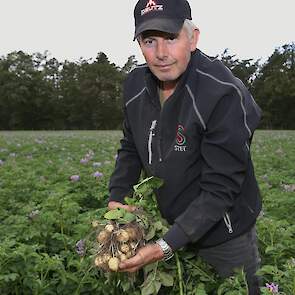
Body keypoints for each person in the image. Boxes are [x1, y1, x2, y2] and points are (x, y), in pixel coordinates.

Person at [108, 0, 262, 294]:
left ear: (193, 38)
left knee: (240, 288)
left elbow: (220, 189)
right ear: (139, 43)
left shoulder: (223, 92)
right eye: (149, 40)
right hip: (168, 222)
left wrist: (163, 247)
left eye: (171, 38)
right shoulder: (134, 86)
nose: (161, 54)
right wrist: (118, 194)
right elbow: (130, 145)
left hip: (225, 232)